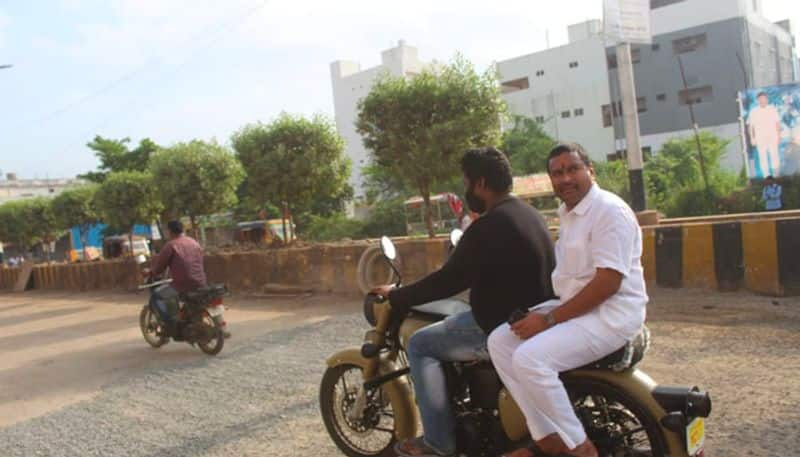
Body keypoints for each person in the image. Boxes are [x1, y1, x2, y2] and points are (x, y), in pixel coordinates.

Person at [372, 147, 555, 457]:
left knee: (420, 345)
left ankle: (437, 442)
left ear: (480, 184)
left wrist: (398, 294)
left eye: (466, 182)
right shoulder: (527, 214)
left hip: (501, 325)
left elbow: (448, 280)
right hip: (534, 314)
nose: (465, 189)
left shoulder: (488, 226)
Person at [488, 143, 648, 457]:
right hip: (579, 309)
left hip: (611, 315)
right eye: (557, 173)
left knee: (530, 358)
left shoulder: (608, 210)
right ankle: (547, 436)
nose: (565, 178)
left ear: (590, 170)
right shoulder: (570, 212)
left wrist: (547, 319)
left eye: (572, 169)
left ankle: (579, 446)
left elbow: (607, 283)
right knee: (500, 341)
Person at [150, 220, 230, 338]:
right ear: (182, 229)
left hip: (182, 285)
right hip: (201, 282)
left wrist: (151, 272)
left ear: (170, 231)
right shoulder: (194, 242)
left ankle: (171, 325)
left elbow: (160, 267)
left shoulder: (171, 245)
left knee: (159, 296)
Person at [749, 92, 783, 177]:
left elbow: (777, 123)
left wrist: (779, 136)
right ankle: (766, 176)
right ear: (758, 100)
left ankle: (776, 175)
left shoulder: (772, 109)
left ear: (767, 99)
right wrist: (752, 138)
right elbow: (750, 126)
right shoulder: (754, 111)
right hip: (760, 138)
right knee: (762, 157)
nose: (763, 100)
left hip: (773, 137)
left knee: (774, 156)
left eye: (764, 99)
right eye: (761, 99)